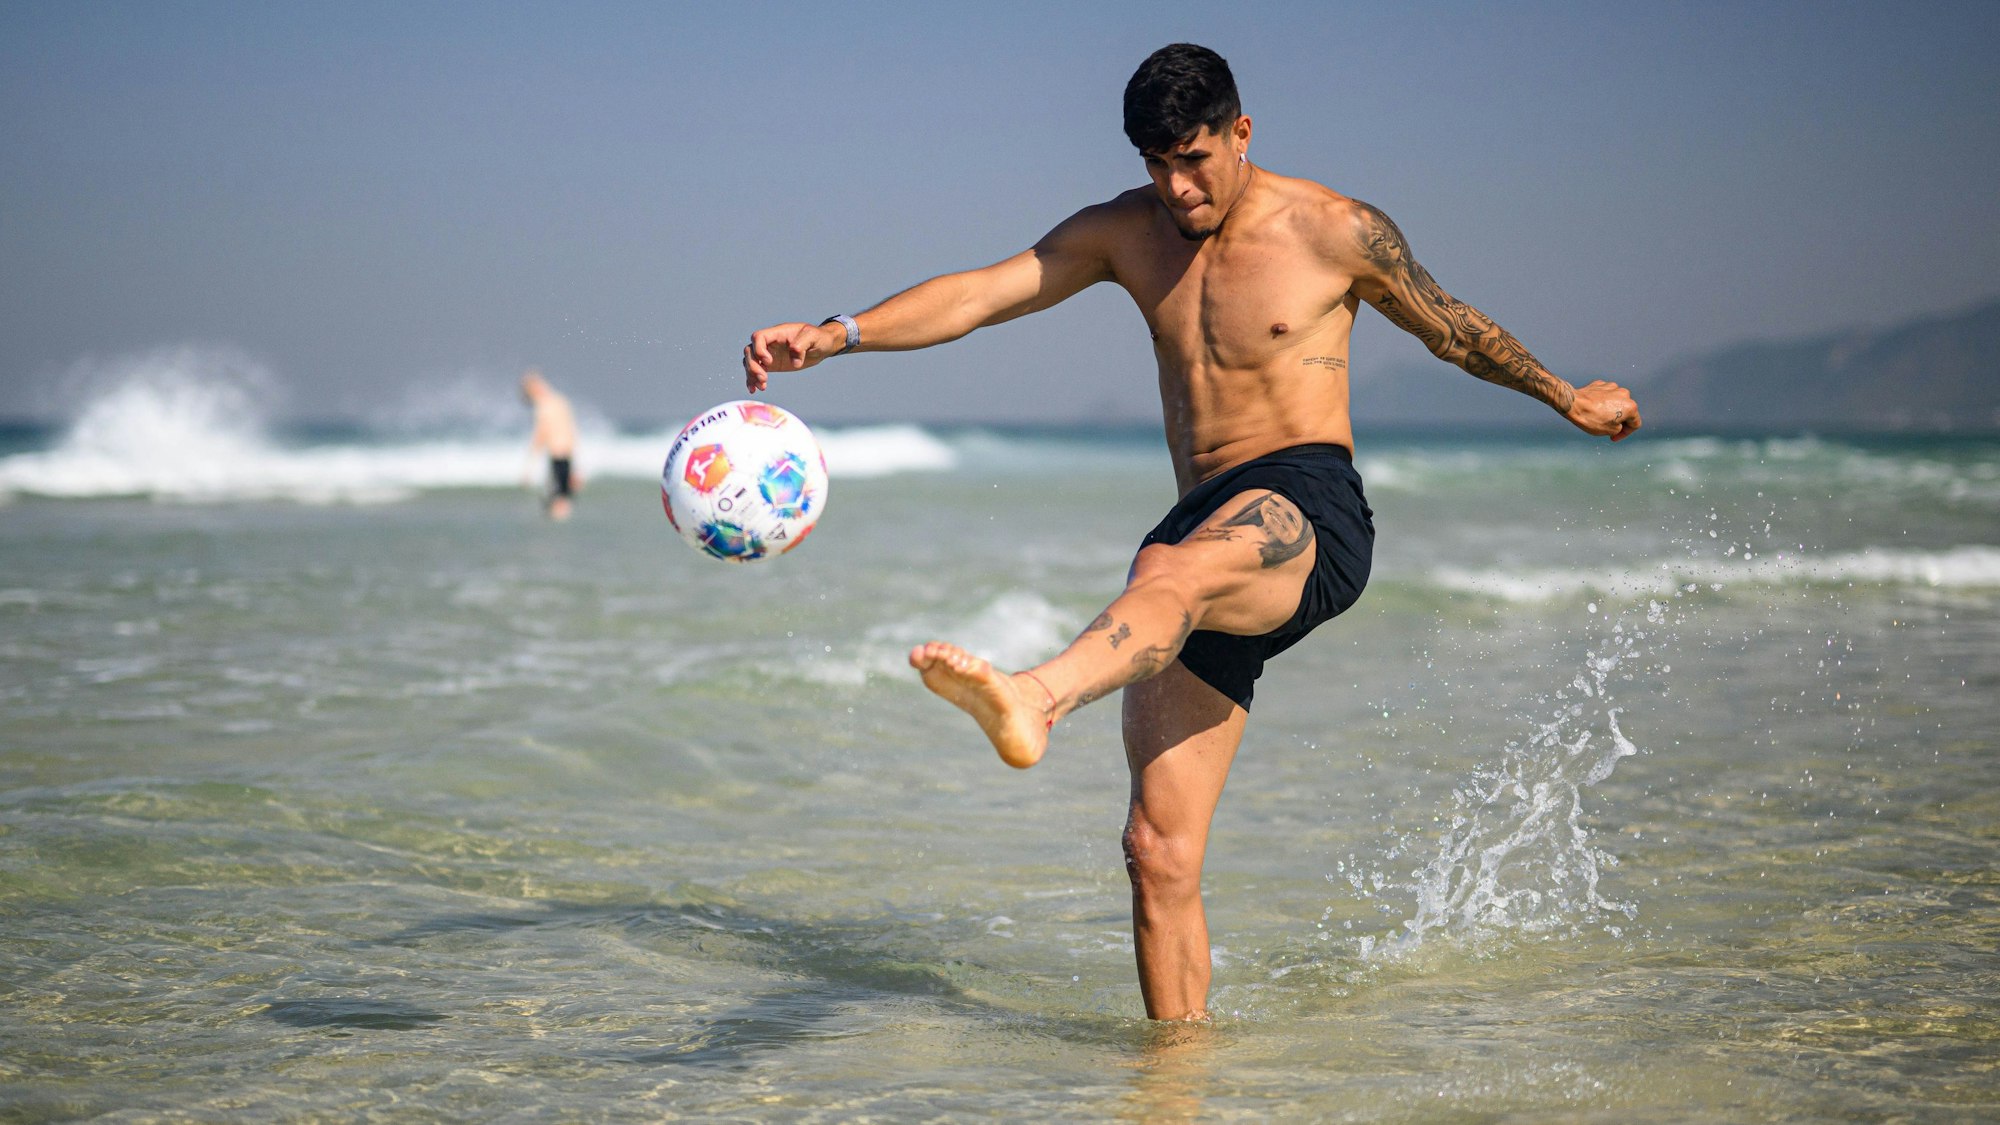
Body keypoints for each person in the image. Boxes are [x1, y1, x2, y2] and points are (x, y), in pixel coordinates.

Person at [742, 43, 1640, 1021]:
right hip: (1200, 513)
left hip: (1306, 500)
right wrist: (836, 335)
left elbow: (1451, 328)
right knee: (1155, 851)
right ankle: (1176, 1078)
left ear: (1240, 133)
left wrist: (1566, 396)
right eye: (1155, 164)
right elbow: (981, 294)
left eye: (1193, 159)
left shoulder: (1334, 230)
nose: (1176, 187)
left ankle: (1036, 698)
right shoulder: (1127, 233)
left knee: (1165, 567)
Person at [520, 368, 579, 521]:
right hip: (567, 453)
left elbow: (540, 436)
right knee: (563, 499)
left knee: (559, 503)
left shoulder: (543, 406)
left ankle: (558, 532)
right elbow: (572, 432)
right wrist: (577, 468)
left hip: (557, 454)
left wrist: (529, 466)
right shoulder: (560, 401)